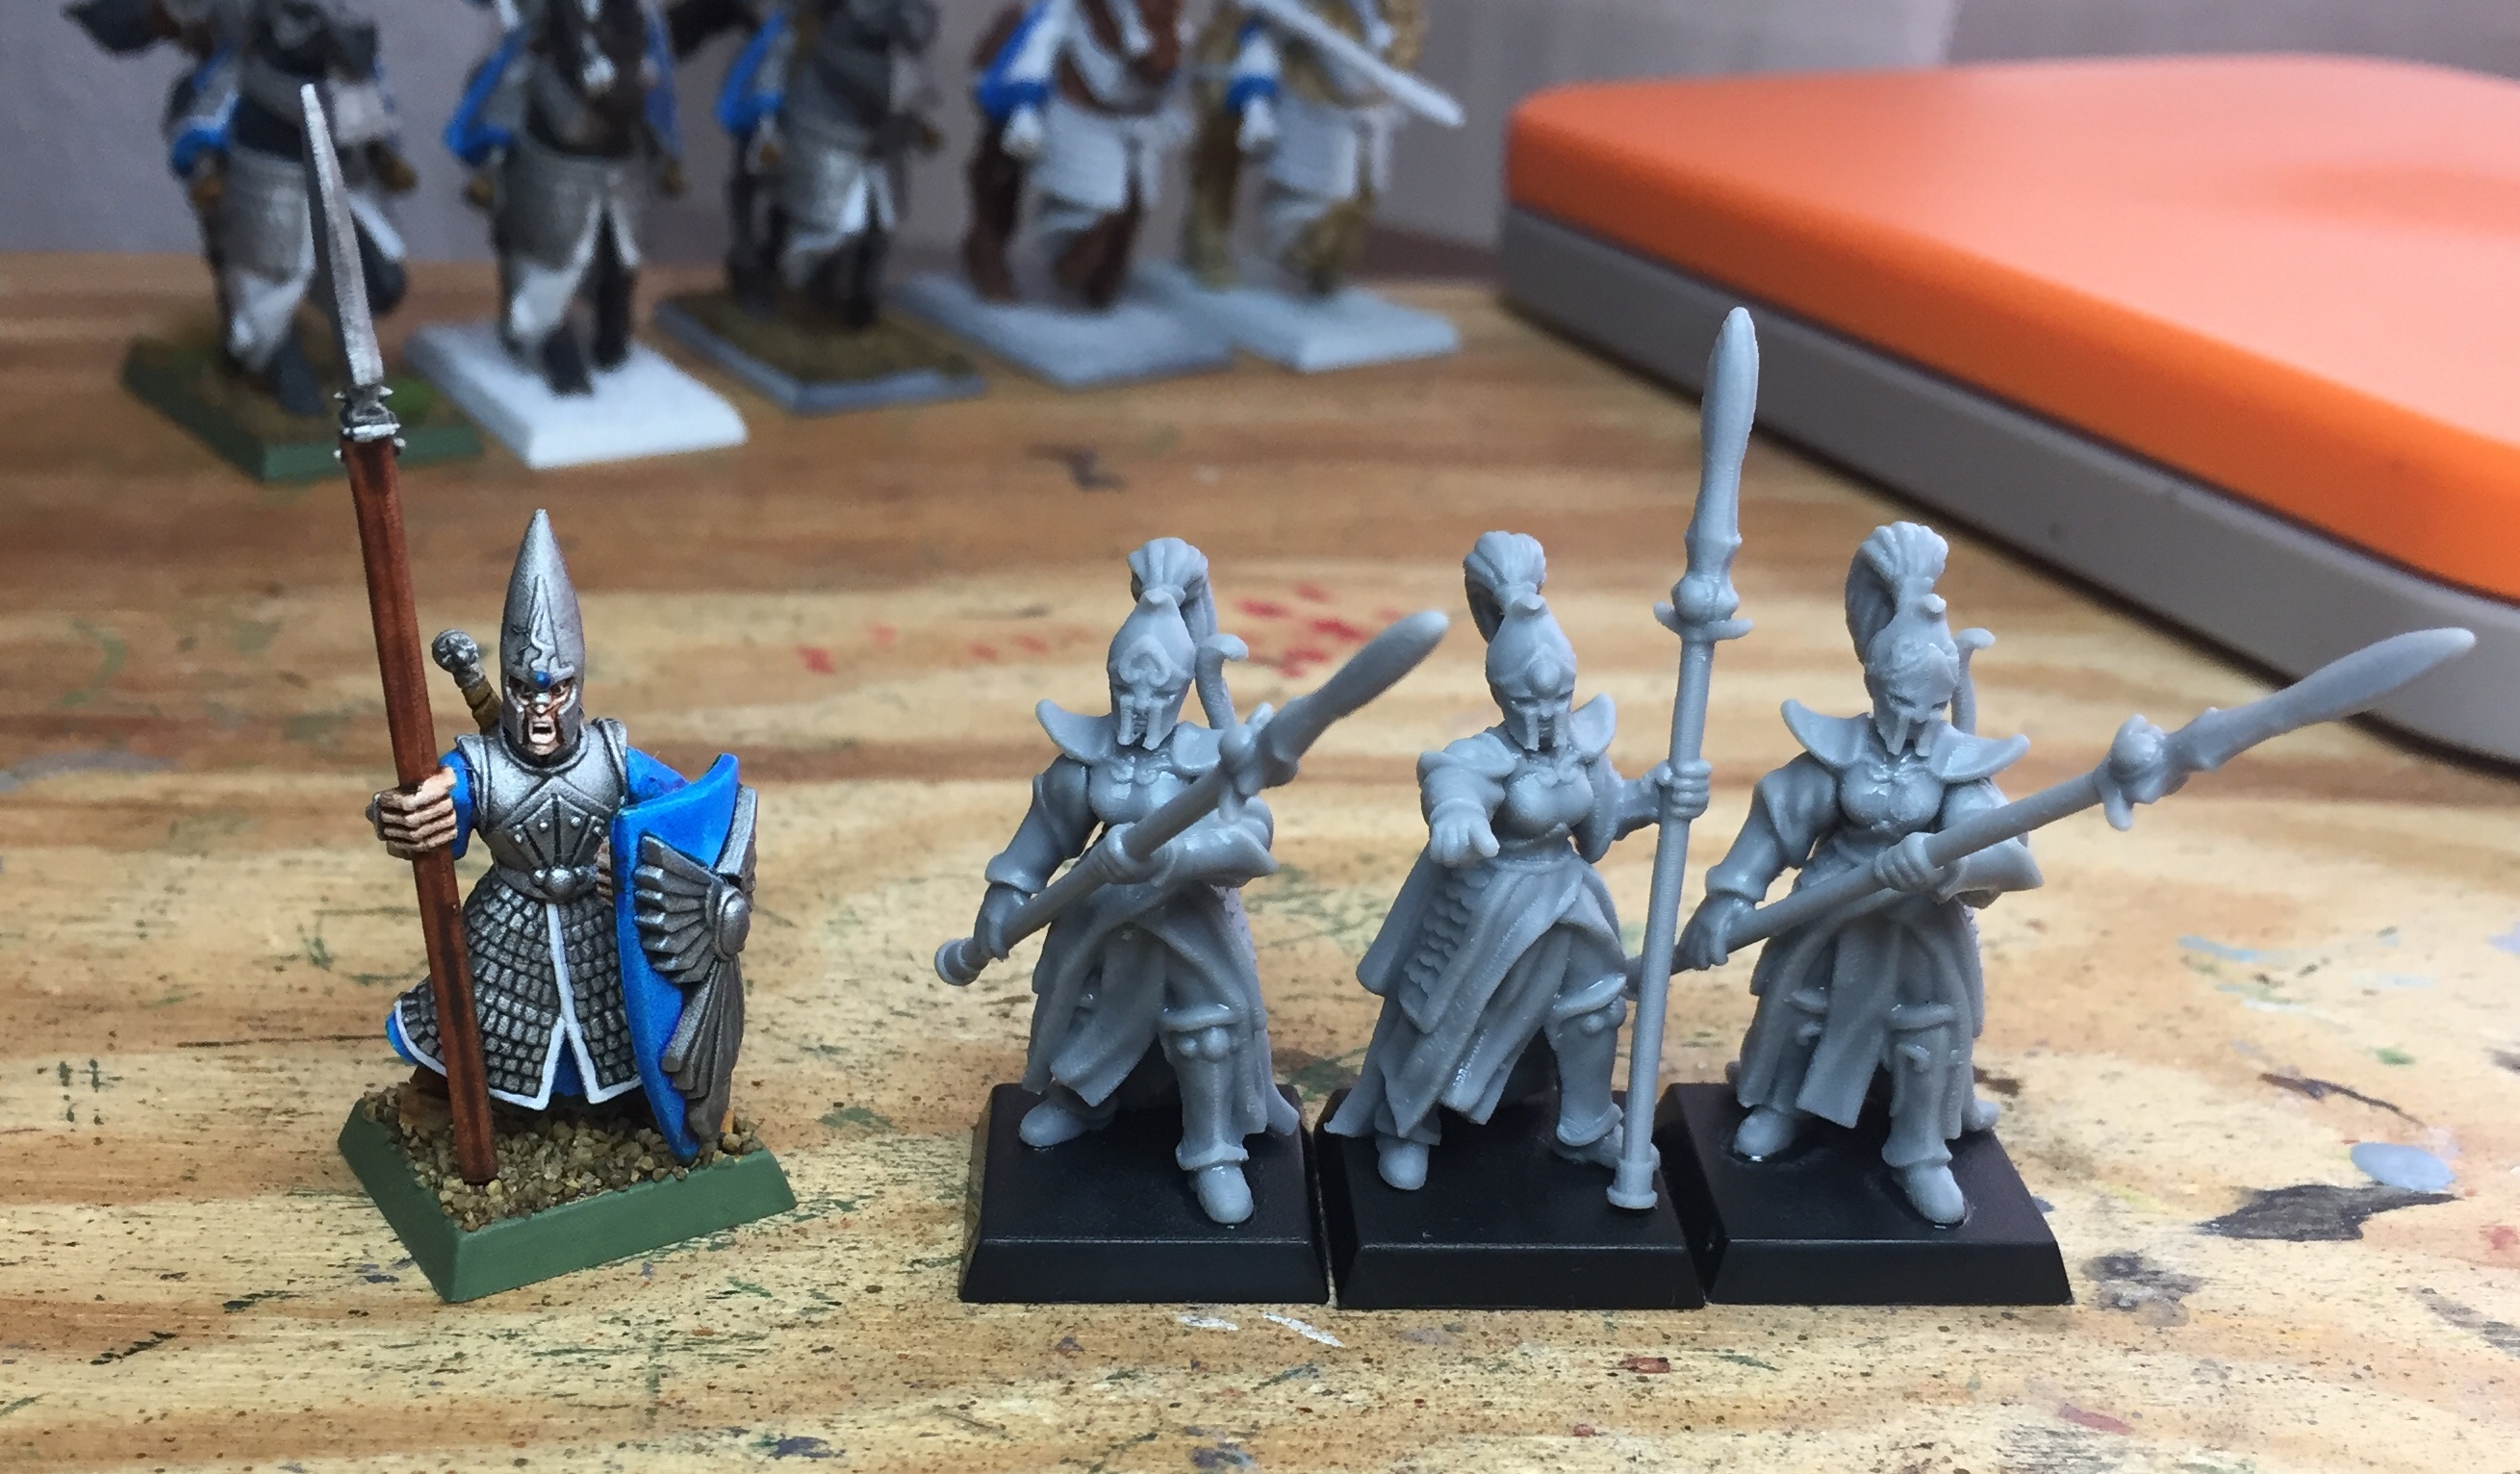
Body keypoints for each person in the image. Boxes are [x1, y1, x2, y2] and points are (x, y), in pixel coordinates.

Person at [1677, 521, 2042, 1225]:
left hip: (1918, 928)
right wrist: (1728, 898)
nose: (1918, 720)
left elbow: (2014, 857)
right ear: (1876, 687)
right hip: (1827, 916)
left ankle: (1919, 1149)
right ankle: (1782, 1106)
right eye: (1904, 704)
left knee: (1924, 1035)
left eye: (1932, 706)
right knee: (1801, 1013)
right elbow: (1775, 822)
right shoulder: (1840, 752)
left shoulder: (1956, 766)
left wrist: (1951, 857)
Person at [1326, 532, 1703, 1191]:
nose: (1546, 714)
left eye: (1556, 698)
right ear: (1502, 695)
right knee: (1444, 1017)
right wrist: (1458, 818)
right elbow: (1452, 784)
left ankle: (1585, 1127)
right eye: (1529, 702)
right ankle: (1405, 1123)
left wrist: (1660, 794)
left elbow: (1604, 818)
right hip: (1489, 904)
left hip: (1569, 899)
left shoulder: (1581, 748)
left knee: (1593, 1008)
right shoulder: (1482, 756)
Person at [957, 538, 1299, 1224]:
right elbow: (1044, 833)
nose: (1140, 701)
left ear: (1181, 688)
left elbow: (1247, 840)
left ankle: (1213, 1149)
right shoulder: (1087, 760)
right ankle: (1083, 1103)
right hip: (1097, 918)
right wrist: (1005, 895)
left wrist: (1179, 857)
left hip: (1188, 924)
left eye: (1158, 689)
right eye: (1126, 687)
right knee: (1083, 1012)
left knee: (1205, 1031)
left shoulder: (1207, 761)